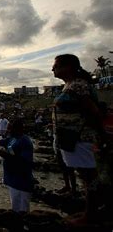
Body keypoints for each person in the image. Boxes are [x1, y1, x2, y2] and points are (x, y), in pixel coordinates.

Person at [51, 54, 106, 226]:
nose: (53, 69)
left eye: (56, 65)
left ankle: (91, 216)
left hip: (82, 138)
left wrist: (101, 137)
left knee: (89, 176)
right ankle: (90, 211)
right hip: (71, 138)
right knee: (84, 175)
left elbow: (94, 112)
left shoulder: (79, 85)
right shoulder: (69, 85)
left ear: (68, 67)